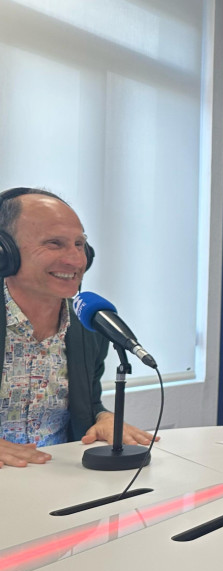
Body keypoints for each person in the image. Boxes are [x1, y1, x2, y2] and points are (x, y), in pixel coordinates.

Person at [0, 187, 157, 468]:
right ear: (4, 253)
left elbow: (86, 405)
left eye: (79, 244)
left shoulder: (89, 327)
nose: (75, 260)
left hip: (58, 486)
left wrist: (103, 418)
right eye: (54, 243)